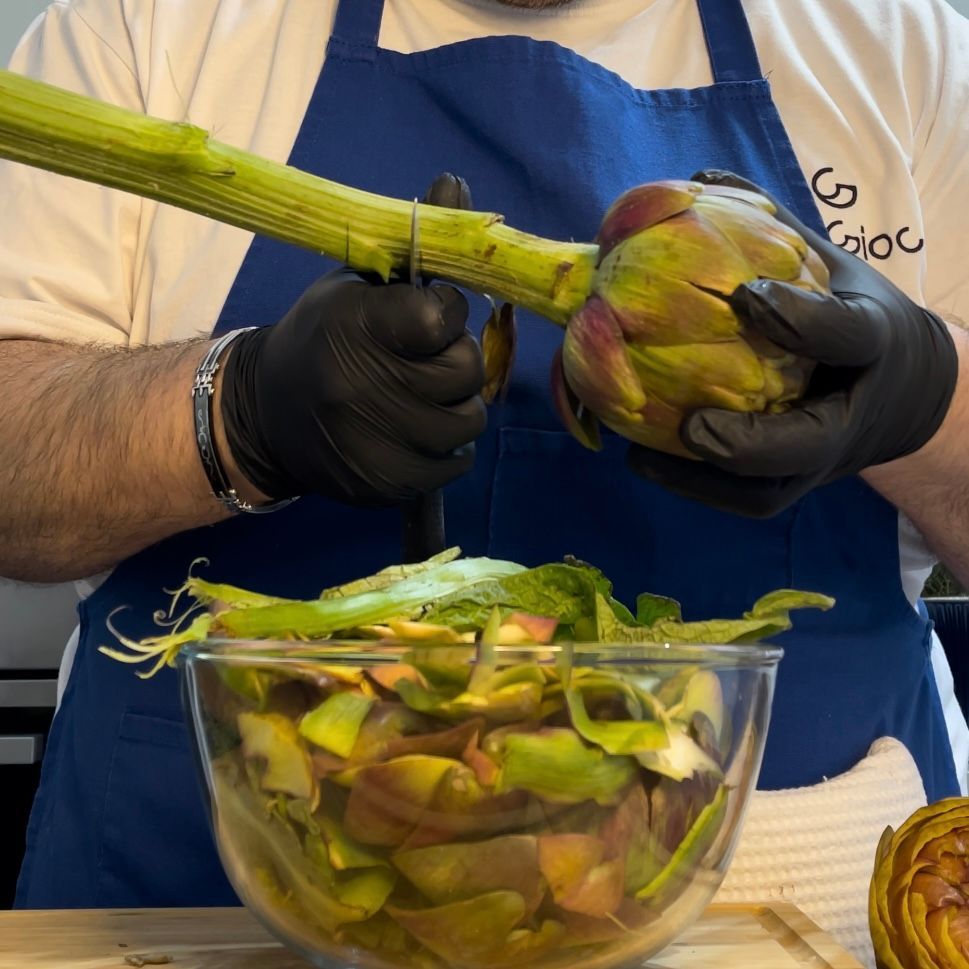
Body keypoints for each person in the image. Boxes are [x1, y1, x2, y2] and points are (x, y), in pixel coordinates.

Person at [2, 0, 967, 962]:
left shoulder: (905, 51)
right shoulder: (141, 26)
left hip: (797, 922)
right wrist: (236, 410)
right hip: (191, 916)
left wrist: (926, 399)